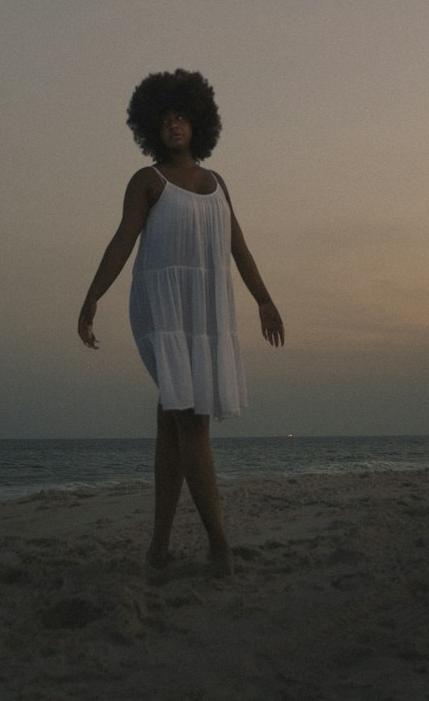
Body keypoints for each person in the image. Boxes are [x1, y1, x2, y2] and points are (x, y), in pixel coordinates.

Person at [77, 69, 284, 576]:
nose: (173, 125)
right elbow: (123, 239)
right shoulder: (147, 182)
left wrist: (264, 299)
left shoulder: (218, 184)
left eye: (181, 116)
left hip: (208, 312)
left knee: (172, 426)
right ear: (152, 126)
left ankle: (159, 547)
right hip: (162, 309)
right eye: (165, 119)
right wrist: (91, 298)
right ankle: (219, 545)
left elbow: (239, 246)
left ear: (198, 122)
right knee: (192, 422)